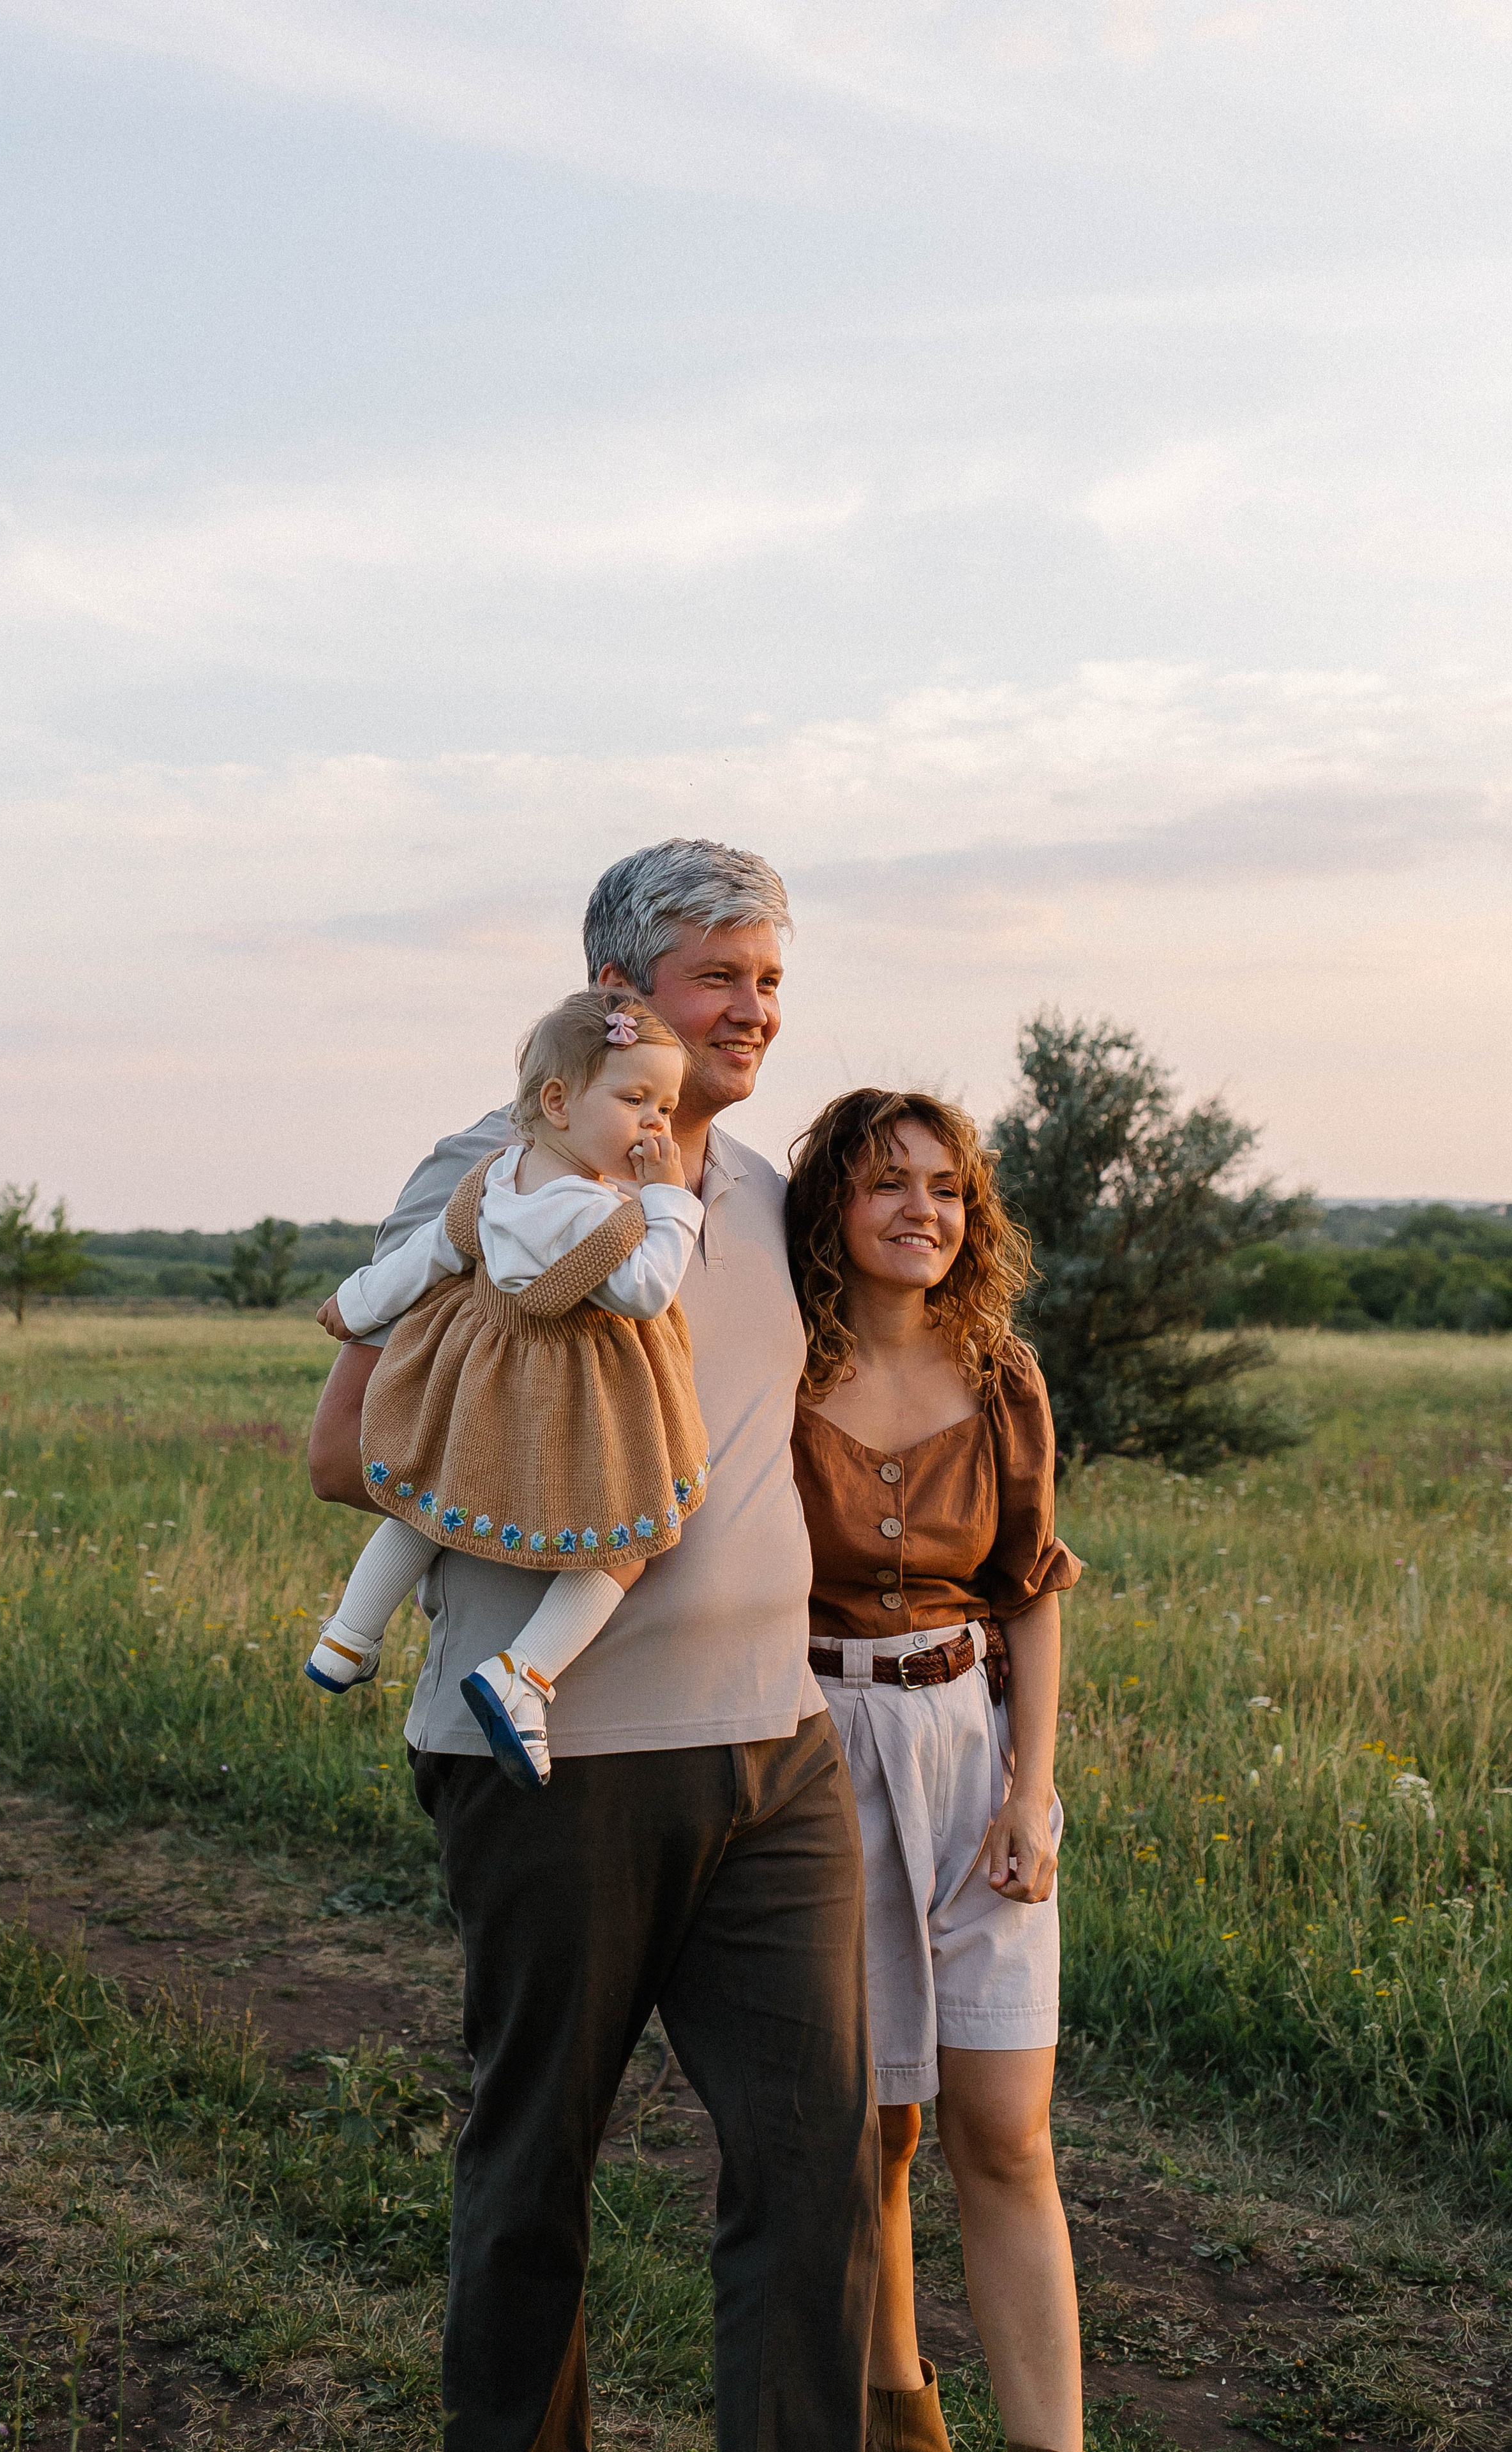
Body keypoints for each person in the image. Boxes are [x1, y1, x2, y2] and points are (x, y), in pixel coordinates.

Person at [306, 840, 879, 2452]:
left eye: (769, 977)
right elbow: (350, 1451)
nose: (753, 1010)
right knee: (534, 2156)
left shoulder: (762, 1196)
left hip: (777, 1749)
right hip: (553, 1759)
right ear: (620, 993)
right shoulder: (493, 1172)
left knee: (809, 2157)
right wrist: (575, 1500)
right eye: (720, 977)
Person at [786, 1090, 1084, 2452]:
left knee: (1005, 2131)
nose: (921, 1212)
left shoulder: (1002, 1373)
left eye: (946, 1189)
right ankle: (901, 2408)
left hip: (972, 1749)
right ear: (832, 1211)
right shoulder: (774, 1371)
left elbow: (1028, 1590)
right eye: (885, 1184)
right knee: (870, 2130)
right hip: (817, 1747)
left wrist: (1029, 1793)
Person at [304, 988, 707, 1789]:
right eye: (634, 1101)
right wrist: (670, 1199)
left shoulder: (491, 1183)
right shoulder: (598, 1212)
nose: (655, 1126)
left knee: (429, 1504)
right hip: (569, 1404)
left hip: (482, 1391)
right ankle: (522, 1674)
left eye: (664, 1104)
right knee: (631, 1543)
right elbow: (646, 1290)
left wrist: (353, 1305)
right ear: (556, 1102)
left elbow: (424, 1259)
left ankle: (348, 1635)